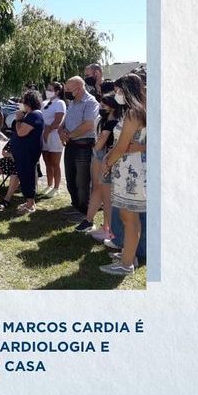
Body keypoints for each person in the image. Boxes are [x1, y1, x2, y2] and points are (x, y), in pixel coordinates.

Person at [99, 73, 147, 276]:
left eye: (119, 90)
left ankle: (126, 264)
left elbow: (121, 146)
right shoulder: (136, 111)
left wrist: (107, 163)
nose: (116, 93)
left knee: (129, 217)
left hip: (130, 172)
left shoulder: (132, 113)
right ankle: (129, 254)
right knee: (128, 216)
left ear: (127, 90)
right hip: (127, 168)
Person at [75, 93, 122, 235]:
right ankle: (90, 220)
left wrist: (95, 149)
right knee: (97, 189)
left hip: (104, 156)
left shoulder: (113, 122)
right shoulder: (103, 120)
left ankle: (107, 228)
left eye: (103, 105)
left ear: (113, 107)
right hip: (100, 156)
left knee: (106, 195)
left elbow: (101, 141)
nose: (101, 108)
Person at [58, 76, 100, 217]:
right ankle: (75, 205)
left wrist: (68, 136)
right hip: (71, 145)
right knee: (70, 178)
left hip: (83, 146)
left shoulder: (90, 103)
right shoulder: (72, 102)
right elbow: (65, 121)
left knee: (82, 181)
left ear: (80, 88)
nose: (67, 92)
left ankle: (84, 211)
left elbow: (88, 125)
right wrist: (61, 130)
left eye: (69, 89)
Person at [11, 91, 44, 215]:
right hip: (24, 152)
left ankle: (30, 204)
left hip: (28, 152)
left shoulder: (34, 115)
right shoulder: (31, 115)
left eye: (23, 101)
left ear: (28, 102)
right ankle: (30, 201)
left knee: (27, 176)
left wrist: (19, 119)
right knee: (25, 175)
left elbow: (21, 132)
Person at [40, 82, 66, 198]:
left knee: (55, 163)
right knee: (47, 162)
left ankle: (56, 187)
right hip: (44, 135)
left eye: (50, 89)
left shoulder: (60, 103)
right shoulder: (45, 103)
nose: (48, 91)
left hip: (54, 136)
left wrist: (47, 130)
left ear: (57, 91)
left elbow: (58, 121)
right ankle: (49, 184)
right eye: (48, 89)